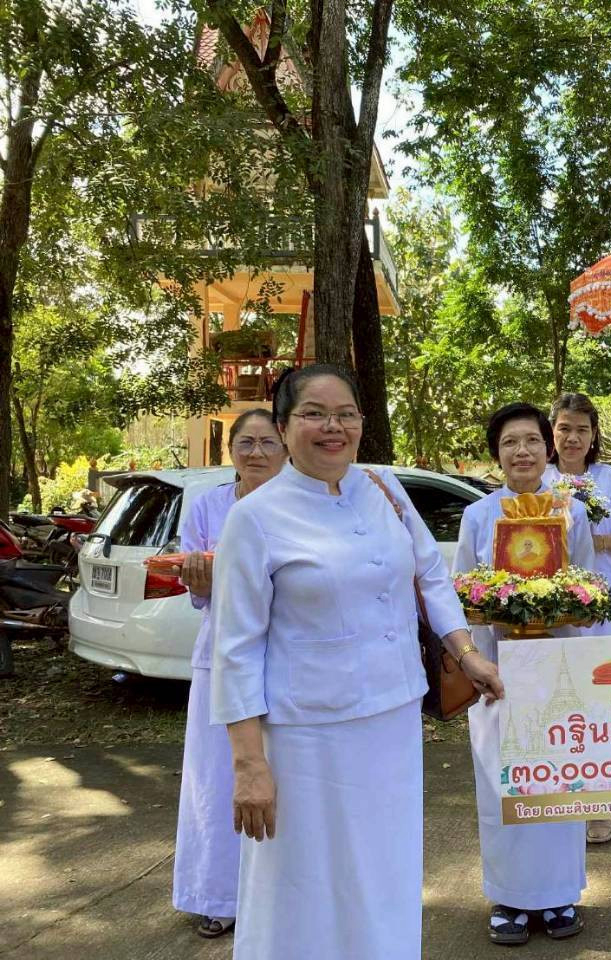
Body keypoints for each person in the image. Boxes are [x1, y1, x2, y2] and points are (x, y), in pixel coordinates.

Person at [210, 365, 500, 960]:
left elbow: (430, 573)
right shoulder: (256, 517)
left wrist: (465, 652)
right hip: (305, 734)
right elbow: (236, 648)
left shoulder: (383, 489)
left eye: (345, 414)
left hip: (390, 720)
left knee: (384, 867)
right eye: (314, 414)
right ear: (285, 425)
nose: (332, 427)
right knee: (305, 879)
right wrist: (248, 765)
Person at [453, 402, 596, 946]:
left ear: (548, 448)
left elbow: (587, 590)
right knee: (502, 785)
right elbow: (462, 595)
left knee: (559, 781)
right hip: (497, 673)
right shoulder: (479, 515)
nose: (522, 451)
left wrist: (560, 608)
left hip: (557, 671)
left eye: (532, 441)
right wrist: (490, 623)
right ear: (497, 454)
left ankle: (560, 895)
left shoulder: (571, 512)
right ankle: (508, 898)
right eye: (510, 442)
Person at [172, 409, 286, 939]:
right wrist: (198, 577)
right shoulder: (207, 505)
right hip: (221, 655)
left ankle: (282, 895)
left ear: (284, 448)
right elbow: (195, 587)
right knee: (218, 777)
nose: (257, 453)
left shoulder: (297, 504)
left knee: (284, 777)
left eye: (267, 442)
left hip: (289, 658)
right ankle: (217, 895)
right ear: (231, 449)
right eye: (246, 442)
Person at [545, 393, 611, 844]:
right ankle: (557, 797)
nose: (573, 437)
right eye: (564, 428)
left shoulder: (610, 479)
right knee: (559, 701)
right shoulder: (538, 477)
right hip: (550, 604)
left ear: (594, 434)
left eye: (581, 428)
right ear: (552, 432)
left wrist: (587, 536)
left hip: (602, 604)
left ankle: (600, 804)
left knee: (601, 700)